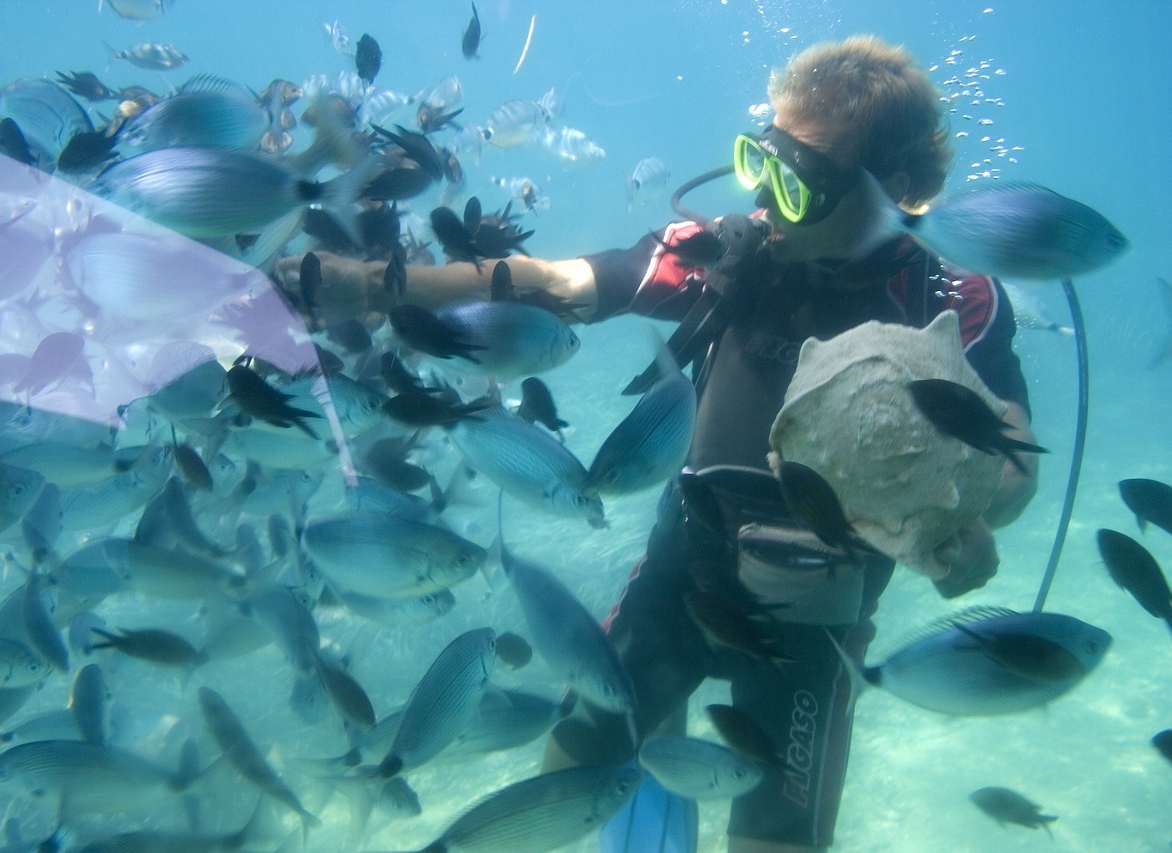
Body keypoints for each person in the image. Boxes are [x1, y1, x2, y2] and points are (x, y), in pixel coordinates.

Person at [280, 35, 1039, 853]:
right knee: (557, 789)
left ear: (897, 190)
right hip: (678, 583)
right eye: (761, 163)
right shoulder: (732, 254)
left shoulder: (947, 296)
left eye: (798, 180)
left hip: (815, 630)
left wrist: (975, 519)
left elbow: (1014, 459)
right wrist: (381, 285)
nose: (769, 200)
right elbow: (564, 282)